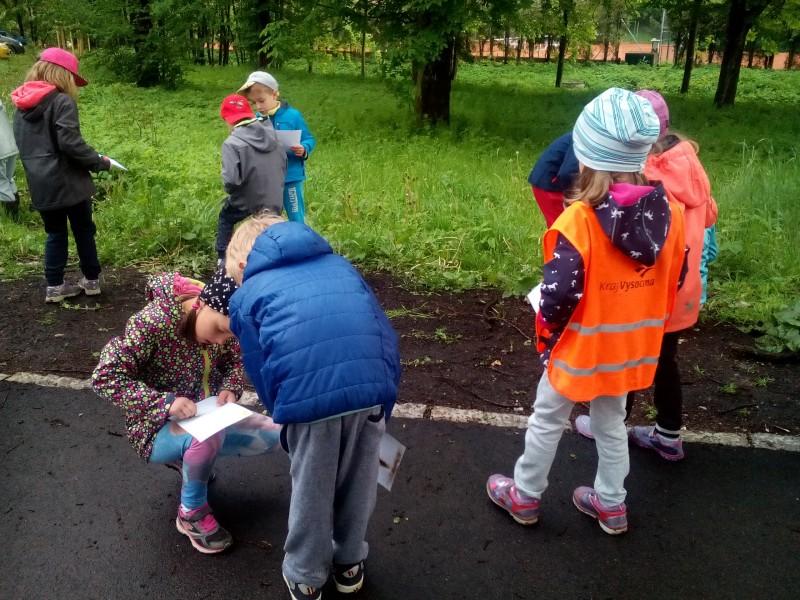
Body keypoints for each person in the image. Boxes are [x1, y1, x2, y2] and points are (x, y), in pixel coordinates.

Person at [486, 88, 685, 535]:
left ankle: (525, 494)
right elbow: (675, 276)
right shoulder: (670, 214)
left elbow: (558, 297)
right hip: (630, 347)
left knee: (547, 417)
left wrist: (546, 330)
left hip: (579, 347)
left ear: (585, 153)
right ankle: (612, 505)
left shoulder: (578, 221)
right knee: (611, 422)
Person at [225, 213, 401, 599]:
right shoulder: (341, 266)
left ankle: (305, 574)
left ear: (243, 263)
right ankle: (349, 562)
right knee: (359, 484)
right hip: (370, 389)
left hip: (308, 404)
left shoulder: (246, 295)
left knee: (313, 490)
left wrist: (285, 419)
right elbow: (383, 333)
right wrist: (384, 402)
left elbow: (261, 368)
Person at [92, 269, 282, 555]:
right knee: (205, 438)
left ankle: (194, 460)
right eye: (220, 330)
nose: (222, 341)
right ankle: (191, 513)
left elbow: (235, 360)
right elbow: (104, 376)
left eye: (230, 334)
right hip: (154, 428)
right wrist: (165, 403)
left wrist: (230, 387)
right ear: (201, 305)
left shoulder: (222, 318)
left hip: (206, 414)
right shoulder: (152, 323)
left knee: (278, 434)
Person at [574, 90, 717, 461]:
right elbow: (710, 218)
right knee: (665, 360)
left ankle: (610, 424)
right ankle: (668, 434)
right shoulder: (692, 169)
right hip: (685, 290)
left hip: (652, 289)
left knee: (629, 354)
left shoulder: (648, 179)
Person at [11, 48, 110, 303]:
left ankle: (54, 287)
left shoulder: (20, 106)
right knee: (84, 230)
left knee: (55, 233)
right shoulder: (61, 101)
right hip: (70, 182)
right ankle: (92, 280)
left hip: (41, 183)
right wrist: (99, 162)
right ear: (62, 74)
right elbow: (70, 143)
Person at [215, 93, 286, 262]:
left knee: (226, 217)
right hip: (275, 198)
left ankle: (224, 261)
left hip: (249, 200)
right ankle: (271, 258)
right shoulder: (274, 136)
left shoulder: (232, 143)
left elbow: (231, 181)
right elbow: (284, 165)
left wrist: (231, 192)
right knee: (267, 229)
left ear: (228, 120)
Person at [238, 72, 316, 223]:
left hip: (290, 177)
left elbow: (309, 138)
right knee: (268, 217)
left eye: (261, 101)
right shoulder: (256, 120)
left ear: (274, 94)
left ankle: (298, 237)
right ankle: (274, 238)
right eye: (254, 103)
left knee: (295, 216)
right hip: (267, 179)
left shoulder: (293, 116)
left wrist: (304, 148)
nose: (258, 106)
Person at [527, 132, 579, 227]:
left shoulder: (587, 134)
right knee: (563, 227)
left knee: (566, 226)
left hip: (551, 180)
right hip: (550, 184)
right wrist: (570, 200)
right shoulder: (584, 139)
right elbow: (567, 173)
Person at [0, 97, 19, 219]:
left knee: (1, 183)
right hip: (10, 144)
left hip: (2, 149)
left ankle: (11, 218)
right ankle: (16, 215)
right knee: (8, 178)